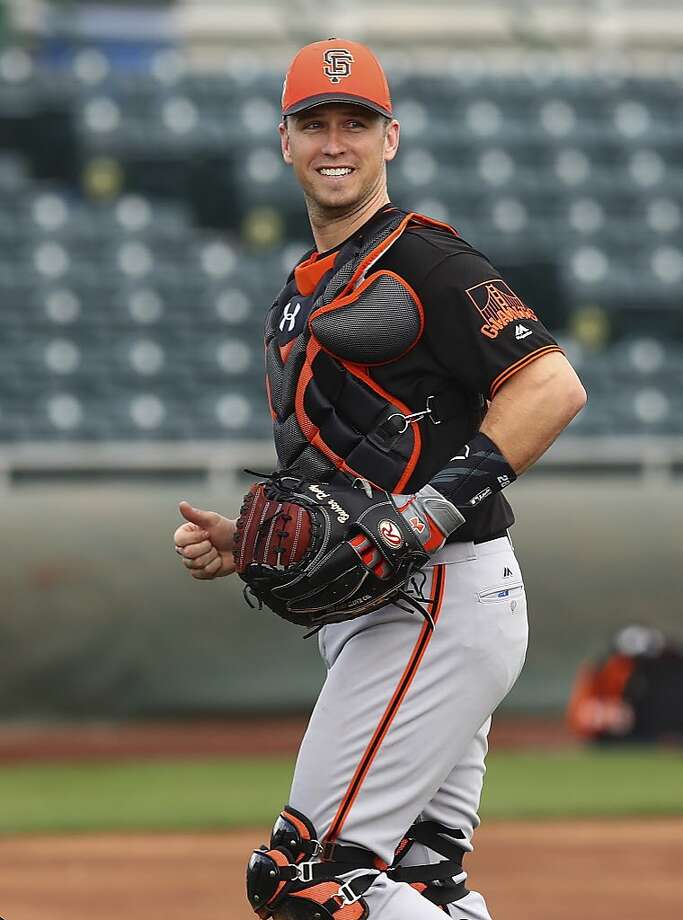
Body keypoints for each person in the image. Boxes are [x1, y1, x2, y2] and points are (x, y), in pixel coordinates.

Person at [174, 38, 586, 920]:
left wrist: (425, 516)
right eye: (313, 123)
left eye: (353, 123)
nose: (334, 141)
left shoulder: (425, 259)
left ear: (388, 138)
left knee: (302, 880)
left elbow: (551, 385)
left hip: (435, 598)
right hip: (388, 614)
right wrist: (243, 541)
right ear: (284, 141)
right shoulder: (300, 289)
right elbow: (334, 473)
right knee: (421, 881)